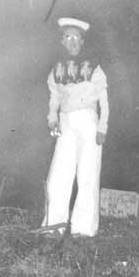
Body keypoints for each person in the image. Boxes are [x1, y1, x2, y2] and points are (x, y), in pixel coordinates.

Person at [41, 17, 109, 237]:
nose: (72, 41)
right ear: (62, 41)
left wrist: (102, 126)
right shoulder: (56, 69)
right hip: (65, 122)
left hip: (88, 120)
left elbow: (104, 98)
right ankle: (54, 224)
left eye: (76, 37)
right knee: (59, 173)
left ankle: (84, 229)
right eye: (68, 37)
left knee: (88, 173)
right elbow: (54, 96)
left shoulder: (94, 66)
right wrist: (52, 119)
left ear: (82, 41)